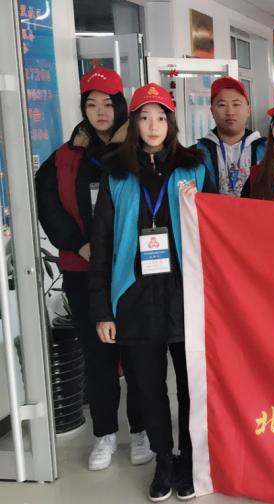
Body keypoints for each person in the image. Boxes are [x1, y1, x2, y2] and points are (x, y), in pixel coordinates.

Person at [89, 83, 213, 501]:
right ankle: (163, 458)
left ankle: (190, 458)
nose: (153, 126)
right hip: (134, 296)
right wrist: (103, 310)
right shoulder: (117, 173)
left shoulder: (195, 167)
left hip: (185, 293)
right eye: (144, 118)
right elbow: (102, 244)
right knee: (147, 385)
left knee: (190, 384)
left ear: (171, 122)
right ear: (134, 124)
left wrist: (198, 205)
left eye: (161, 117)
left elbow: (219, 232)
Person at [35, 67, 153, 472]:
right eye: (91, 104)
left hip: (134, 271)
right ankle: (104, 434)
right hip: (83, 269)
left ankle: (140, 430)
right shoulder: (64, 158)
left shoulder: (138, 150)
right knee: (98, 355)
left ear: (120, 106)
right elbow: (49, 207)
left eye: (107, 103)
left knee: (136, 353)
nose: (100, 112)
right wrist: (79, 244)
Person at [194, 76, 266, 196]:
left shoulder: (267, 151)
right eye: (222, 105)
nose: (230, 112)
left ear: (248, 110)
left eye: (236, 104)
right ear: (212, 111)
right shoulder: (197, 153)